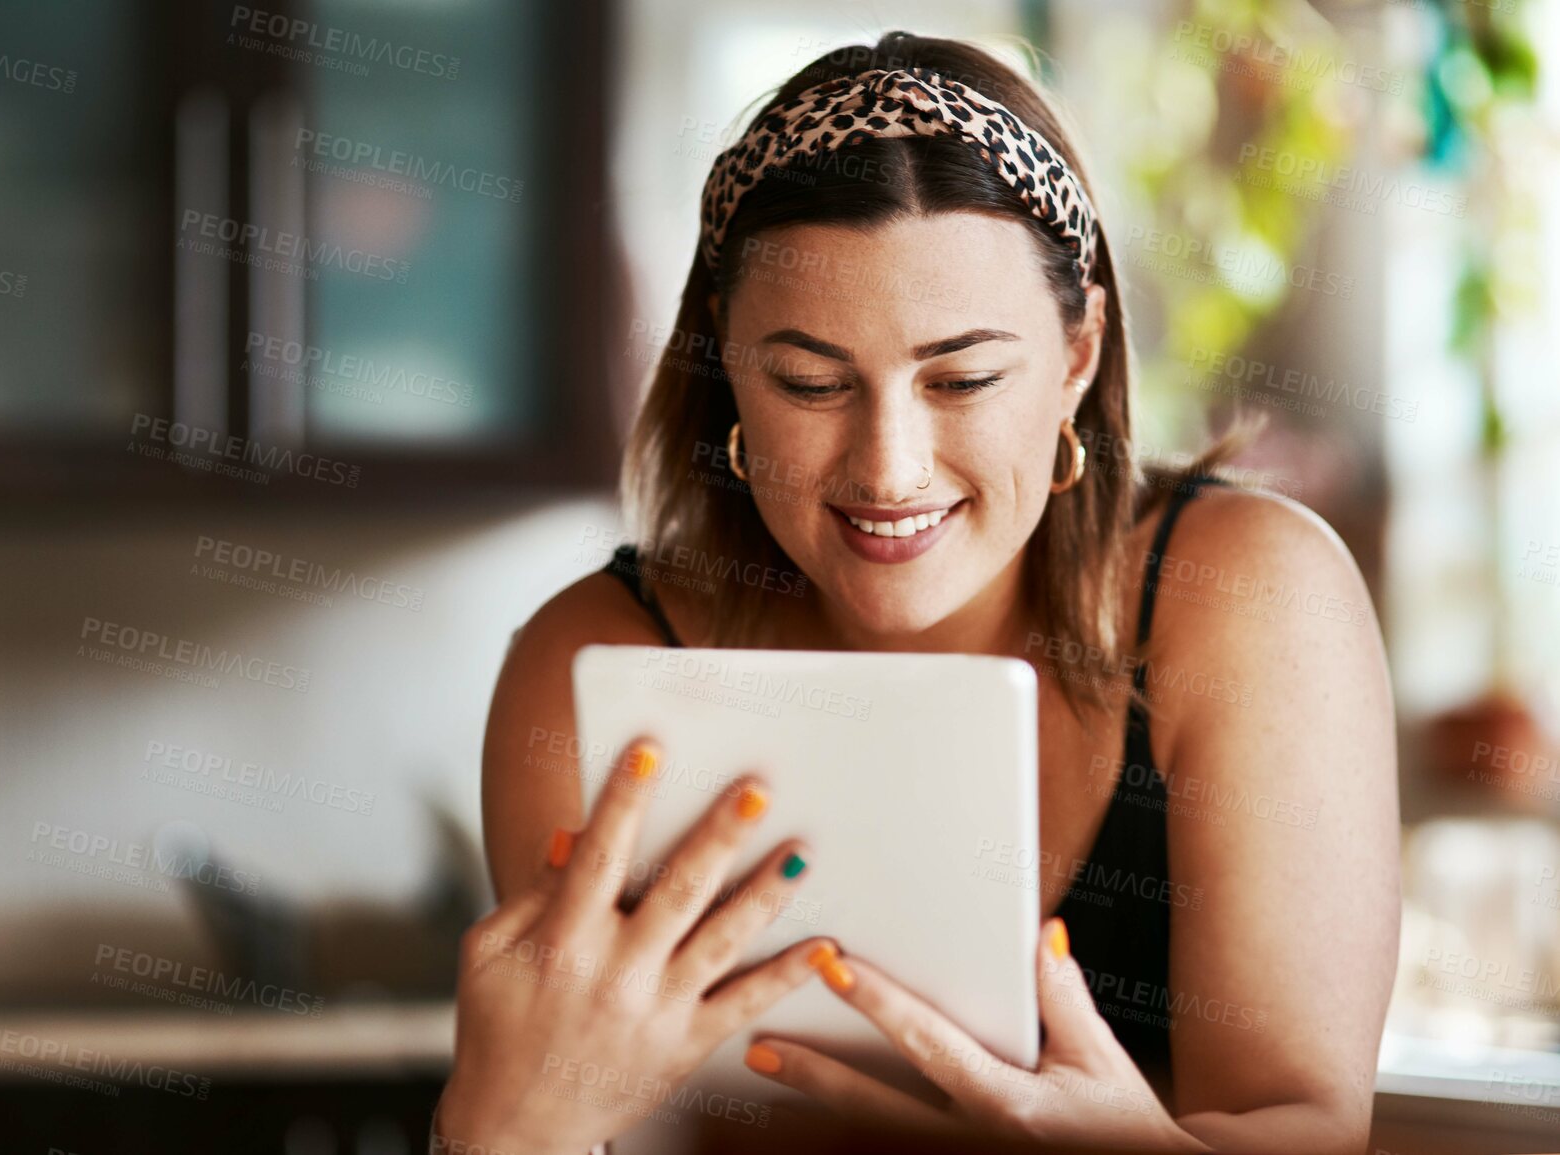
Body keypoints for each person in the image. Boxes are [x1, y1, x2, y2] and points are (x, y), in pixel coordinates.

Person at [436, 30, 1399, 1155]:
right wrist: (498, 1130)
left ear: (1078, 353)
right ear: (726, 364)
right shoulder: (593, 661)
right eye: (810, 381)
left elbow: (1298, 1122)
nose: (888, 468)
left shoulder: (1240, 595)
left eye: (965, 378)